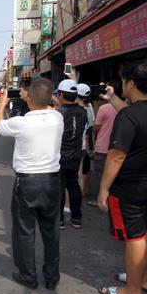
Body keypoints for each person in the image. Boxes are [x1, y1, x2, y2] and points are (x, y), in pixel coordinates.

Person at [0, 78, 64, 291]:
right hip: (52, 182)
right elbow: (52, 105)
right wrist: (35, 96)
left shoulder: (21, 122)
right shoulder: (57, 118)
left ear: (29, 98)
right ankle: (51, 277)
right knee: (51, 232)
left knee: (25, 231)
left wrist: (2, 104)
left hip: (27, 183)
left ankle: (28, 275)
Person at [96, 60, 147, 294]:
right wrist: (112, 98)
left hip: (132, 186)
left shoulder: (130, 115)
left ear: (132, 83)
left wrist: (104, 188)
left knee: (135, 236)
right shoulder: (134, 110)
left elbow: (116, 156)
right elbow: (134, 113)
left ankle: (132, 290)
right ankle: (145, 279)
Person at [57, 79, 88, 229]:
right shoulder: (83, 112)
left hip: (61, 156)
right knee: (74, 185)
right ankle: (77, 217)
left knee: (60, 187)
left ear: (61, 94)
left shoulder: (59, 113)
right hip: (76, 154)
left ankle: (60, 219)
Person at [87, 85, 118, 207]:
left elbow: (96, 128)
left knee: (101, 175)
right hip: (116, 146)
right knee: (114, 174)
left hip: (103, 146)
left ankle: (101, 199)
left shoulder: (104, 108)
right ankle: (112, 199)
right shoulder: (126, 107)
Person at [76, 84, 95, 196]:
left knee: (78, 172)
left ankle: (78, 194)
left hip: (78, 144)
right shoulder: (90, 107)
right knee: (83, 170)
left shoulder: (78, 108)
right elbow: (91, 127)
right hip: (85, 143)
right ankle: (83, 191)